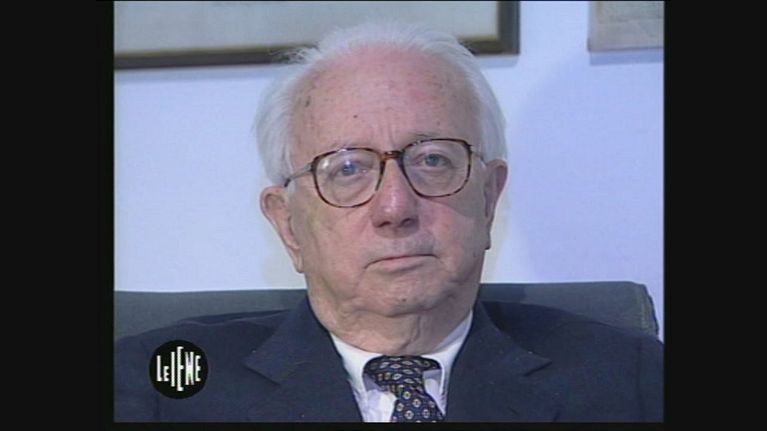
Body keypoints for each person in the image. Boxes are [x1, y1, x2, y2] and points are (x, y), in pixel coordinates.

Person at [115, 22, 663, 422]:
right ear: (288, 225)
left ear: (489, 198)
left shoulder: (632, 381)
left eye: (433, 160)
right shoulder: (154, 386)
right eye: (347, 169)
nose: (395, 207)